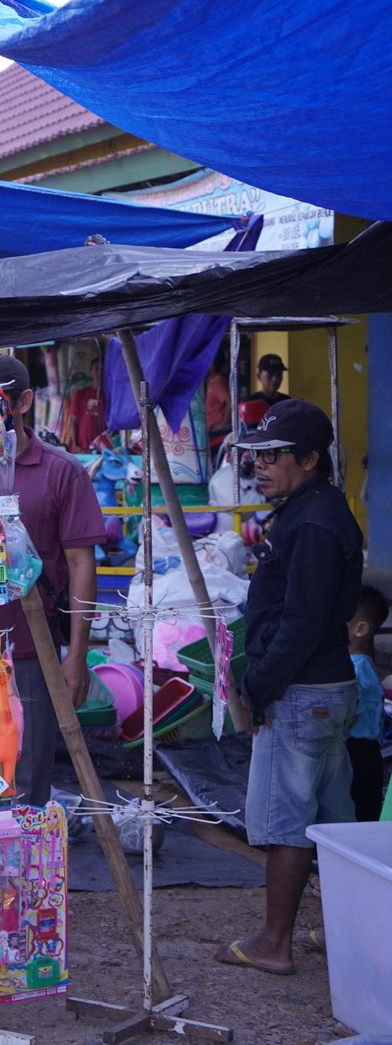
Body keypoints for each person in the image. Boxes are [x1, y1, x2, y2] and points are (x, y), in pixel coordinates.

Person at [218, 398, 362, 977]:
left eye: (274, 455)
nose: (261, 465)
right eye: (257, 455)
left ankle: (274, 942)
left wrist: (259, 685)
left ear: (308, 459)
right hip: (323, 690)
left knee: (289, 822)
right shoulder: (311, 511)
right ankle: (348, 928)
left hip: (302, 692)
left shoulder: (315, 521)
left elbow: (302, 621)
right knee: (331, 819)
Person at [0, 354, 104, 806]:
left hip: (32, 656)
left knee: (23, 790)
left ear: (23, 401)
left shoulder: (60, 473)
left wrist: (77, 656)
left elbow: (83, 564)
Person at [347, 587, 389, 822]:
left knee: (356, 815)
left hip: (357, 753)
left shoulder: (358, 668)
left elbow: (349, 717)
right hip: (362, 751)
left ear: (360, 629)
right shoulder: (358, 663)